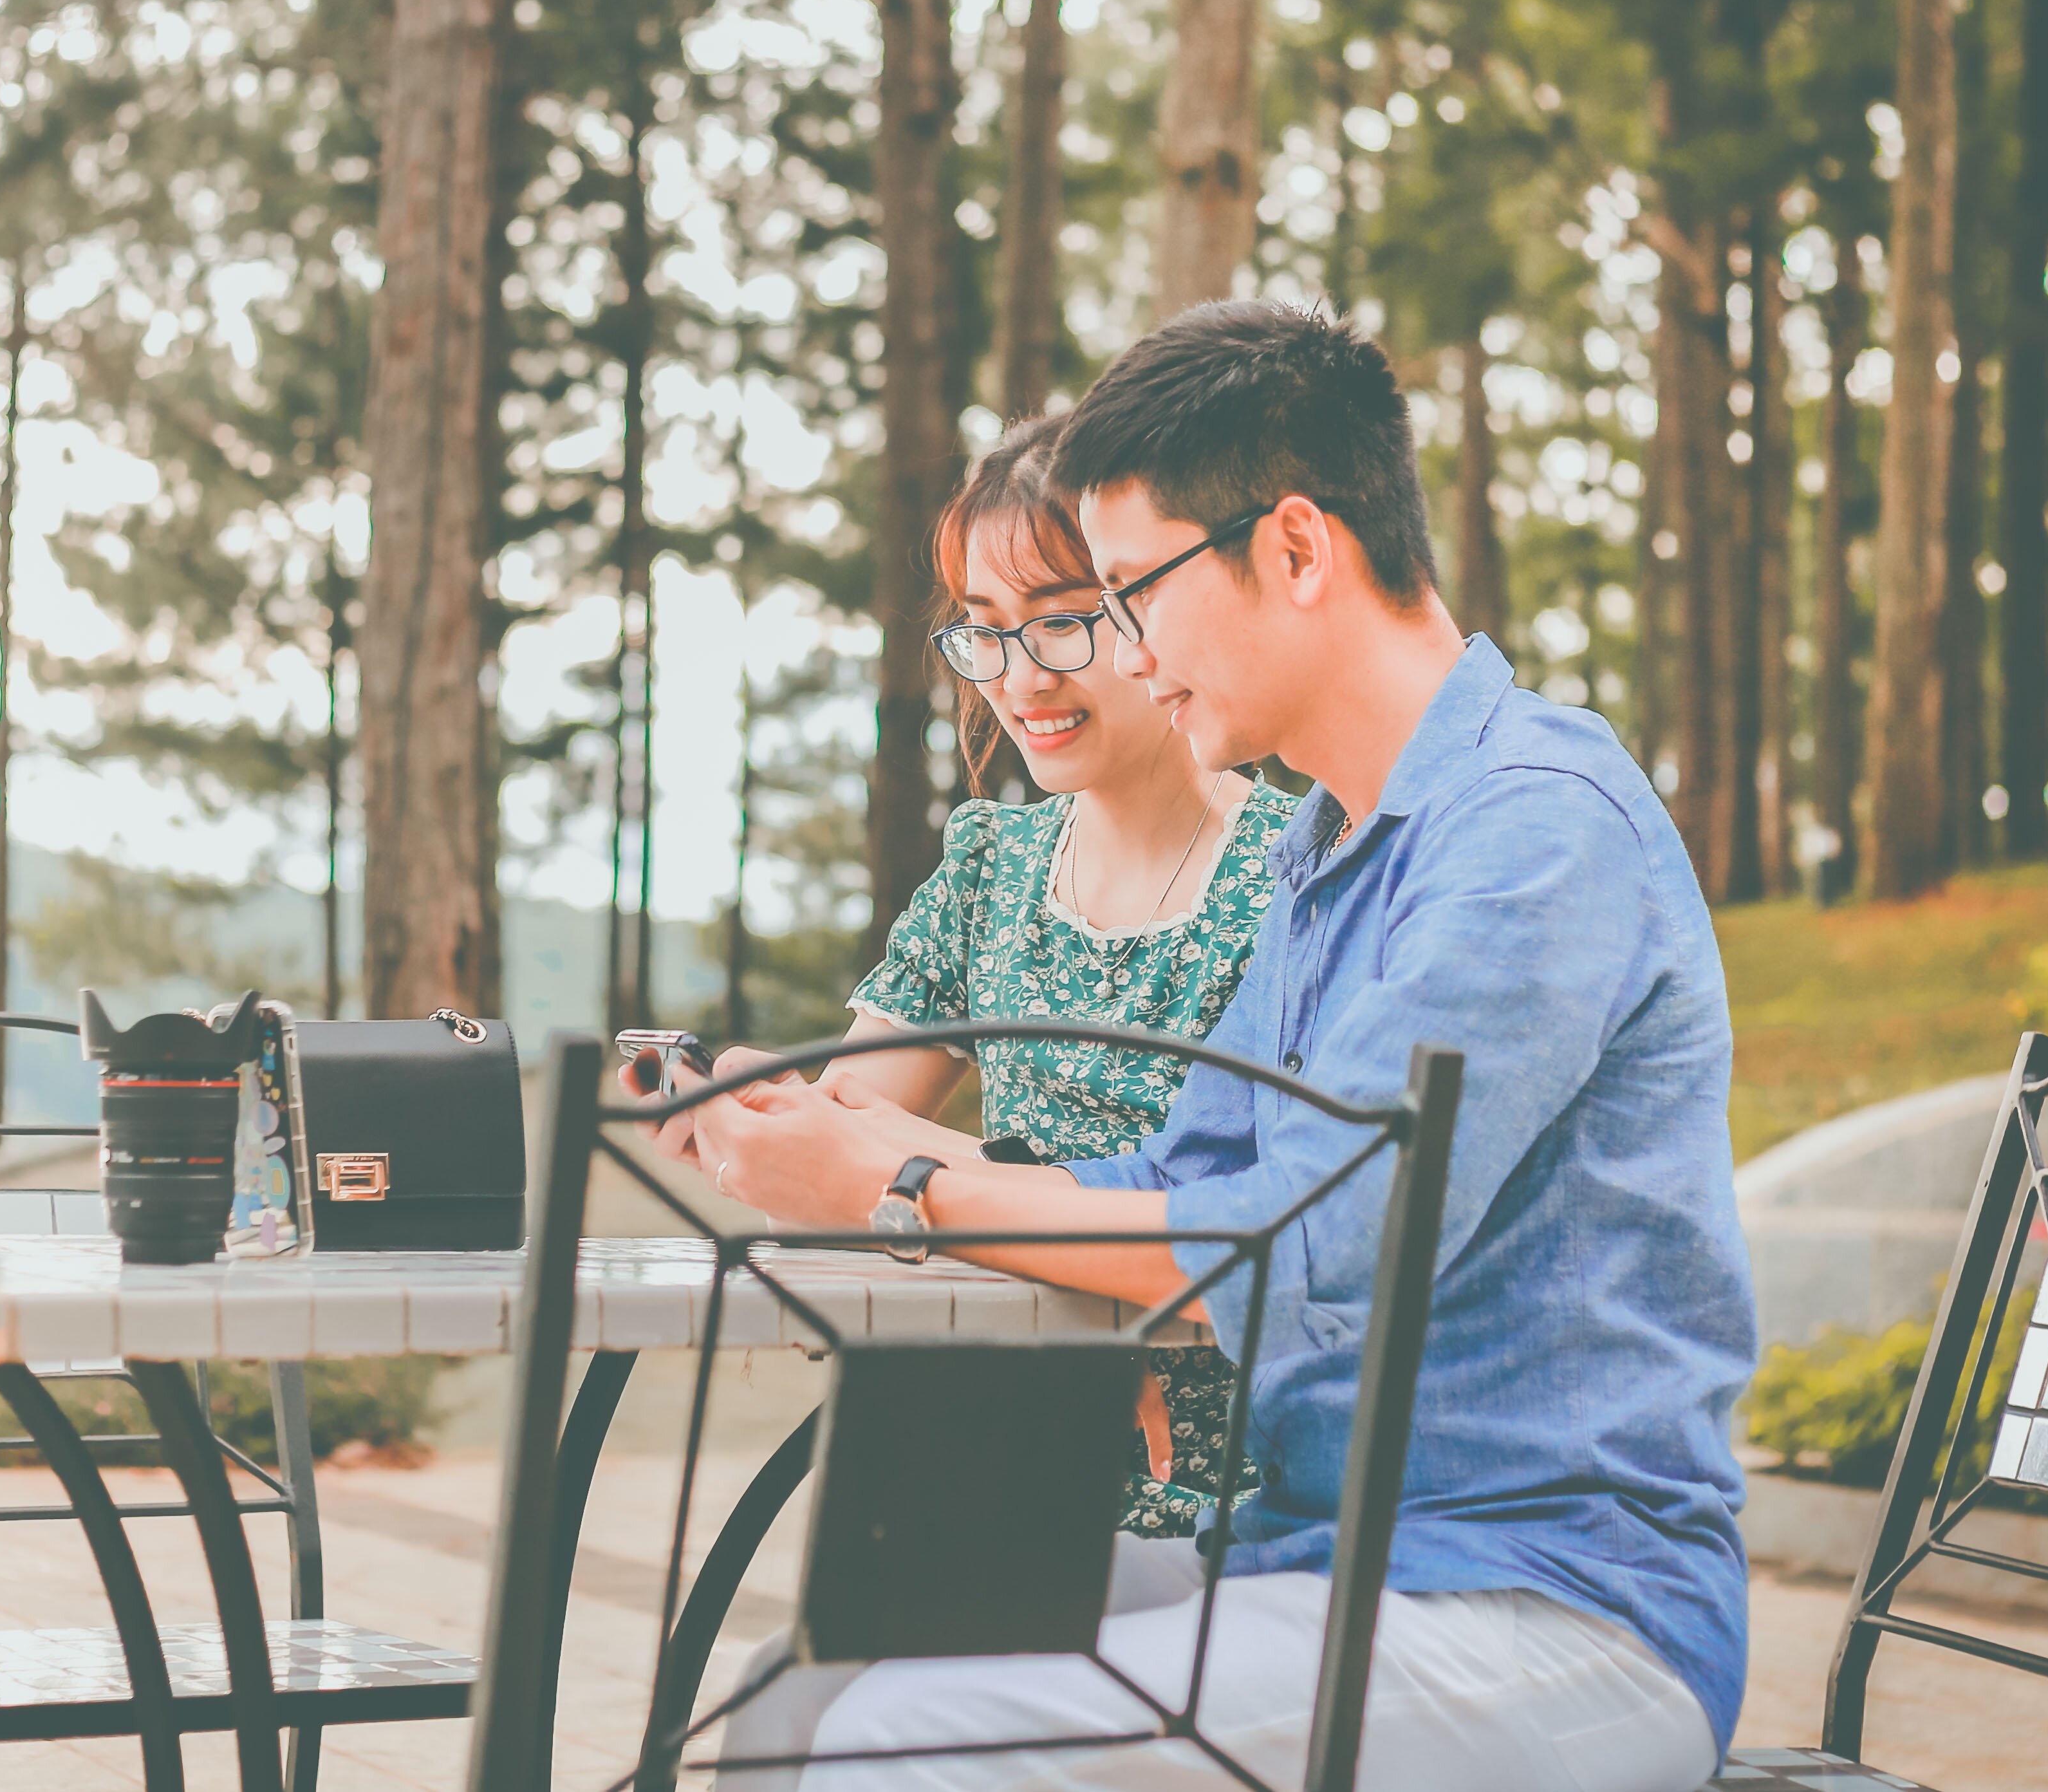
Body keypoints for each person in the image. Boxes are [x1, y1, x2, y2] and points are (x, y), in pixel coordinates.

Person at [687, 299, 1755, 1792]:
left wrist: (901, 1191)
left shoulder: (1531, 829)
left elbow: (1301, 1246)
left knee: (909, 1738)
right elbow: (1172, 1173)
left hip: (1548, 1604)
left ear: (1297, 549)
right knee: (806, 1685)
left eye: (1129, 592)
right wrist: (843, 1142)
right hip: (1312, 1560)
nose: (1121, 652)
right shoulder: (1330, 848)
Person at [648, 412, 1298, 1536]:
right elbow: (840, 1157)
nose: (1018, 677)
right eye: (984, 631)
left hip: (1247, 1497)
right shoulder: (992, 865)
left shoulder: (1295, 874)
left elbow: (1269, 1227)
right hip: (1006, 1441)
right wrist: (753, 1117)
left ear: (1153, 607)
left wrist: (893, 1167)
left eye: (1061, 623)